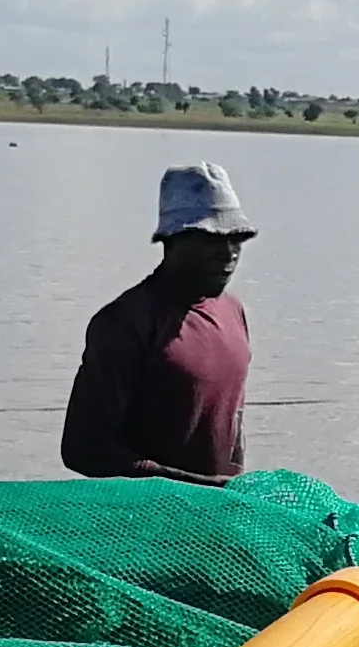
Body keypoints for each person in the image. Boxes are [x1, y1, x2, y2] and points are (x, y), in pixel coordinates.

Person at [62, 162, 253, 484]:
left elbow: (235, 421)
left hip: (220, 511)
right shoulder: (125, 323)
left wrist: (234, 486)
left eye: (237, 238)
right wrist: (196, 485)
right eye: (211, 238)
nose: (228, 253)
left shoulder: (233, 311)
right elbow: (83, 451)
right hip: (141, 519)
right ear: (172, 239)